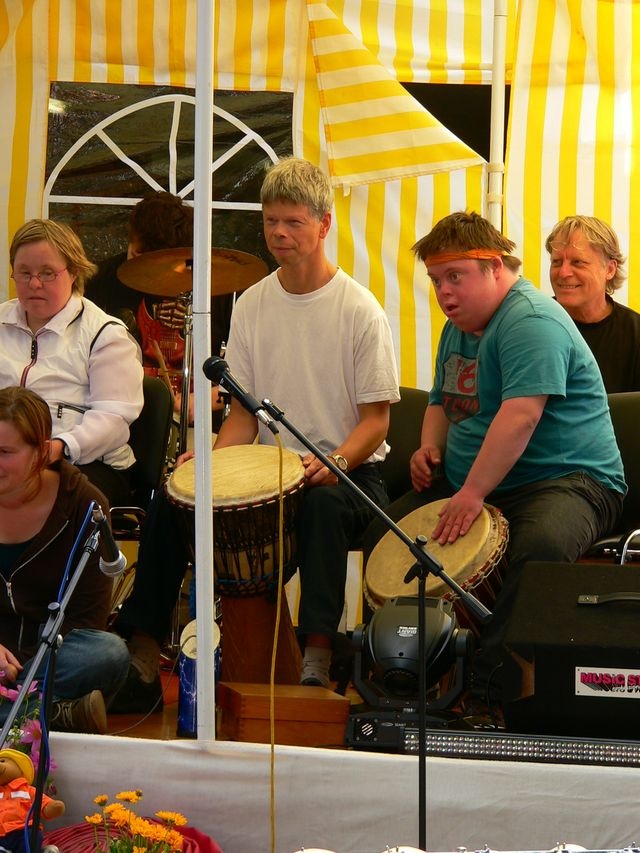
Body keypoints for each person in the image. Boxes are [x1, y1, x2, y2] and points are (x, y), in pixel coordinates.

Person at [110, 156, 399, 707]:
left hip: (351, 476)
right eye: (270, 221)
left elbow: (376, 421)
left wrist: (334, 461)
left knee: (323, 506)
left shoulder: (361, 310)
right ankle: (142, 647)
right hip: (267, 475)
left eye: (293, 221)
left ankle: (317, 656)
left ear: (324, 224)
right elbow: (242, 416)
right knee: (173, 501)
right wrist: (211, 468)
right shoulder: (253, 303)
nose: (279, 233)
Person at [363, 211, 626, 717]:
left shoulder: (531, 322)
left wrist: (471, 493)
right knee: (385, 538)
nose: (444, 292)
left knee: (540, 548)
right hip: (482, 484)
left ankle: (490, 695)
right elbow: (441, 400)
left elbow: (521, 416)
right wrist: (428, 448)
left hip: (569, 482)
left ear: (496, 268)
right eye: (436, 280)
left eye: (455, 276)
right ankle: (398, 683)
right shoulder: (458, 327)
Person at [0, 386, 129, 734]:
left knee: (108, 653)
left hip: (46, 660)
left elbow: (87, 621)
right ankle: (50, 714)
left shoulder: (85, 505)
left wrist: (21, 668)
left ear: (41, 453)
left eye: (5, 452)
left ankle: (12, 710)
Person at [0, 219, 144, 507]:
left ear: (74, 271)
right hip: (10, 458)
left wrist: (60, 447)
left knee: (31, 495)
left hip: (86, 463)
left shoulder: (105, 334)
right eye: (24, 273)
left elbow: (113, 419)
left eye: (47, 273)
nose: (34, 283)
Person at [86, 190, 232, 430]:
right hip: (119, 424)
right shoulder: (101, 281)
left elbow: (253, 375)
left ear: (179, 256)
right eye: (137, 255)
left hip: (197, 430)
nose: (142, 269)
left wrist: (210, 399)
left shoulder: (219, 286)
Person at [546, 215, 640, 392]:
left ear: (610, 269)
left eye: (578, 262)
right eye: (556, 262)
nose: (563, 273)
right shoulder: (535, 325)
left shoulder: (634, 334)